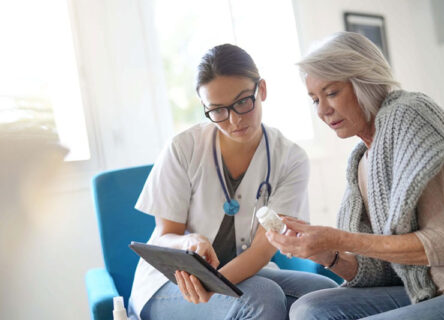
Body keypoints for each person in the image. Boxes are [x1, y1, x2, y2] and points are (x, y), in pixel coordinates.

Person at [266, 31, 444, 320]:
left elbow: (440, 246)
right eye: (315, 99)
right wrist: (326, 252)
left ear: (364, 82)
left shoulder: (409, 115)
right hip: (422, 289)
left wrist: (338, 238)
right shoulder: (362, 160)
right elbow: (382, 271)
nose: (323, 110)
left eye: (331, 93)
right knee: (308, 309)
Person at [127, 43, 338, 320]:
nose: (234, 120)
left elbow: (264, 248)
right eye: (217, 110)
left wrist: (214, 283)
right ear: (204, 107)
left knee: (325, 293)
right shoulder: (183, 148)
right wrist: (190, 241)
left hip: (239, 273)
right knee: (262, 298)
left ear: (261, 90)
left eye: (242, 103)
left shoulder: (290, 158)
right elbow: (166, 235)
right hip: (172, 283)